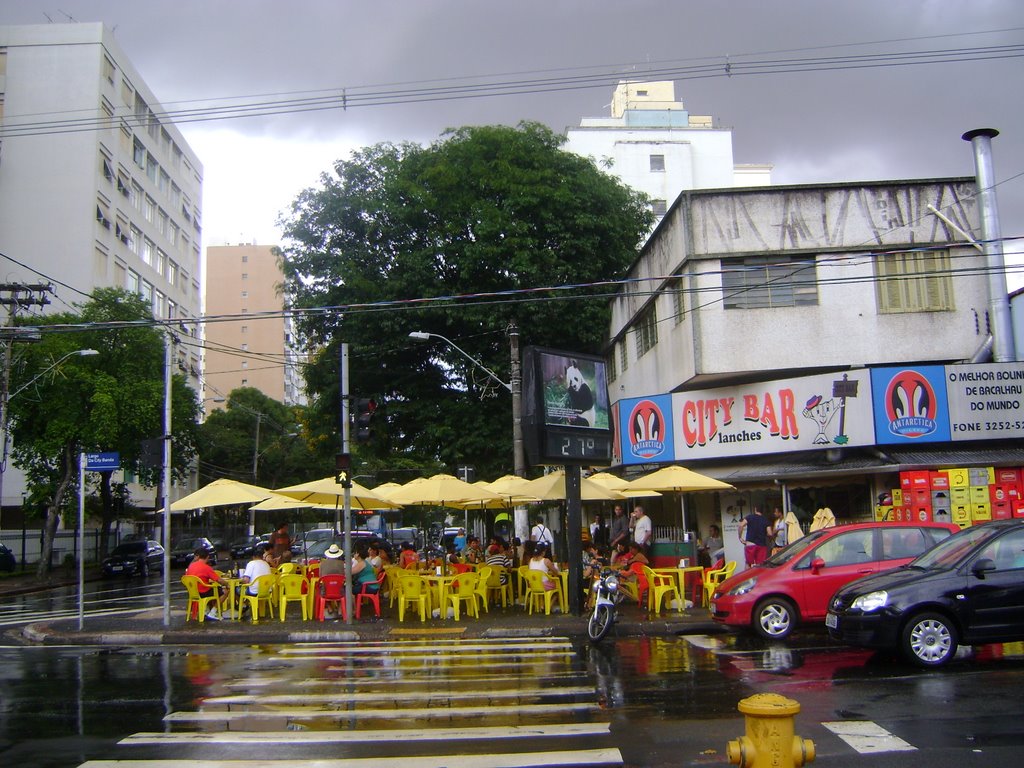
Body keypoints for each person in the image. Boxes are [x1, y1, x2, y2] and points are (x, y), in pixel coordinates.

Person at [185, 549, 229, 620]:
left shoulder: (191, 566)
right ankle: (213, 612)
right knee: (225, 591)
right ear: (207, 557)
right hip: (203, 592)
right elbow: (219, 580)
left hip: (193, 592)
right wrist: (227, 584)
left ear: (197, 556)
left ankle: (206, 611)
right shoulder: (206, 567)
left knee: (214, 589)